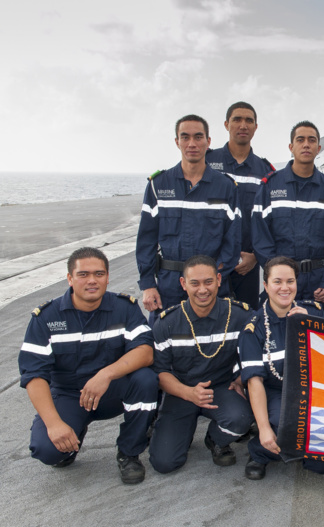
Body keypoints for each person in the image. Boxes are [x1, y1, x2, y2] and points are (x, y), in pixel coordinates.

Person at [19, 247, 158, 484]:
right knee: (49, 451)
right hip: (69, 395)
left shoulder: (124, 308)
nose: (92, 280)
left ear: (107, 277)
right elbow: (34, 376)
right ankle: (73, 432)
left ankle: (129, 453)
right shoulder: (46, 318)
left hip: (112, 391)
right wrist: (54, 425)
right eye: (83, 274)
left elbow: (145, 353)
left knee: (146, 380)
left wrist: (105, 375)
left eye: (99, 274)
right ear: (70, 279)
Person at [148, 255, 253, 474]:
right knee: (165, 463)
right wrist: (188, 393)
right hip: (181, 391)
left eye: (208, 282)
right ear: (183, 284)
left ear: (218, 280)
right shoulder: (167, 323)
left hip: (221, 389)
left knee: (240, 420)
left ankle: (215, 439)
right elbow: (161, 372)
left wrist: (241, 378)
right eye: (194, 283)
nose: (202, 289)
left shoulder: (239, 315)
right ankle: (178, 431)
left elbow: (265, 342)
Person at [136, 114, 240, 324]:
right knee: (162, 347)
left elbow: (233, 241)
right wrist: (148, 284)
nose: (192, 143)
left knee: (215, 347)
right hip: (168, 287)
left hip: (211, 287)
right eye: (185, 137)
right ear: (177, 142)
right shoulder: (158, 185)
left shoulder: (226, 187)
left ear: (208, 142)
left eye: (198, 137)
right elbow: (146, 240)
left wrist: (214, 279)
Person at [238, 257, 324, 480]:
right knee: (284, 428)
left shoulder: (313, 313)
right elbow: (254, 382)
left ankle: (298, 449)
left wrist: (312, 326)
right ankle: (260, 452)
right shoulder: (253, 329)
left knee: (323, 467)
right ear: (266, 286)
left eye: (290, 281)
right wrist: (264, 427)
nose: (285, 288)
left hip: (312, 389)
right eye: (277, 282)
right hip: (276, 392)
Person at [252, 121, 324, 314]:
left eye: (311, 140)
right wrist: (276, 277)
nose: (306, 144)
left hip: (318, 286)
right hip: (282, 286)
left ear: (318, 148)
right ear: (291, 147)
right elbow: (260, 237)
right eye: (300, 140)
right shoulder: (270, 186)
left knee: (315, 341)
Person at [207, 102, 275, 307]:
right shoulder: (206, 162)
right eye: (237, 119)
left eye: (249, 120)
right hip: (211, 261)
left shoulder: (265, 170)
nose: (243, 125)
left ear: (256, 127)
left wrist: (255, 256)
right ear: (227, 124)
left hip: (247, 265)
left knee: (246, 322)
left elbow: (269, 220)